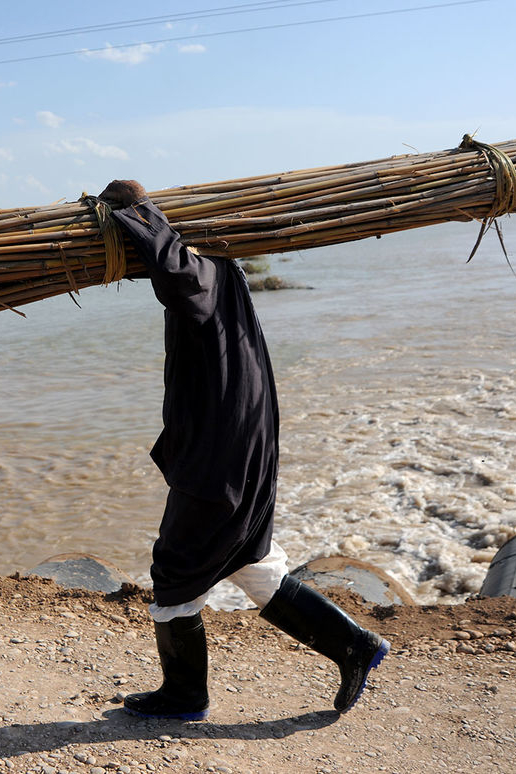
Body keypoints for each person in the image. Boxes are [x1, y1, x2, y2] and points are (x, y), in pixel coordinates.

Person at [97, 179, 390, 721]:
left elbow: (174, 270)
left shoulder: (203, 275)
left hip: (221, 455)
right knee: (249, 561)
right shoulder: (228, 276)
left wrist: (132, 209)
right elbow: (173, 264)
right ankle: (354, 645)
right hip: (244, 443)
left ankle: (185, 695)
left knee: (177, 566)